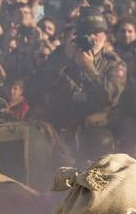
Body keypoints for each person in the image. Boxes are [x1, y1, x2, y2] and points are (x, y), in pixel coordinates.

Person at [40, 9, 127, 138]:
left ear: (105, 36)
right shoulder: (63, 54)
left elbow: (111, 97)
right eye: (86, 33)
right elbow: (40, 85)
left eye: (97, 33)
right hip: (62, 123)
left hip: (96, 129)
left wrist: (89, 67)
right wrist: (64, 60)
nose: (92, 38)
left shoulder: (114, 63)